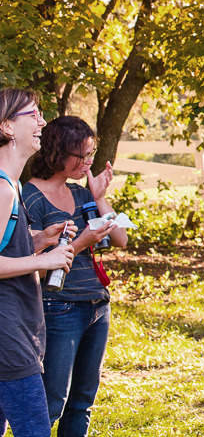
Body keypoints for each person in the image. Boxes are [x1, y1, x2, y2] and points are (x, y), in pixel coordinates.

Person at [23, 116, 127, 437]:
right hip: (58, 308)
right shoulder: (31, 197)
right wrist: (81, 242)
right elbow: (32, 263)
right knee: (53, 400)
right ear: (57, 153)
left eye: (91, 154)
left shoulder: (82, 195)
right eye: (81, 155)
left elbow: (120, 239)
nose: (88, 162)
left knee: (81, 402)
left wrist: (98, 194)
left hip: (97, 305)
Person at [0, 88, 74, 437]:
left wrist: (40, 239)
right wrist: (44, 259)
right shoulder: (2, 189)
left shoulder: (10, 185)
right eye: (33, 114)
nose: (42, 121)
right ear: (7, 127)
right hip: (7, 333)